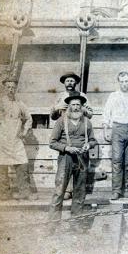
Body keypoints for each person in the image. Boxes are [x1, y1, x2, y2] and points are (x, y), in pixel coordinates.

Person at [48, 92, 97, 220]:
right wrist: (67, 148)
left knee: (80, 190)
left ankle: (76, 220)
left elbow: (93, 140)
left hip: (82, 158)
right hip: (66, 158)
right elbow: (52, 143)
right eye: (73, 104)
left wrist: (88, 145)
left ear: (82, 107)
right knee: (59, 190)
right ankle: (53, 223)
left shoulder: (87, 122)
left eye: (78, 105)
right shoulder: (61, 121)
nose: (76, 107)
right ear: (68, 106)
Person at [0, 77, 37, 200]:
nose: (10, 90)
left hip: (16, 140)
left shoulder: (20, 104)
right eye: (8, 87)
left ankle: (24, 192)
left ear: (15, 88)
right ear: (4, 88)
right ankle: (4, 193)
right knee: (1, 166)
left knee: (22, 164)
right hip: (2, 141)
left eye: (13, 87)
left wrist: (24, 132)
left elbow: (29, 118)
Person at [50, 72, 93, 200]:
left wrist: (79, 107)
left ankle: (78, 190)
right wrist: (57, 107)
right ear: (64, 83)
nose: (70, 83)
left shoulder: (82, 96)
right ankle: (67, 190)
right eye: (67, 81)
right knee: (65, 164)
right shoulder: (60, 97)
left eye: (72, 81)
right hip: (64, 134)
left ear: (76, 83)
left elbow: (90, 114)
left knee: (79, 164)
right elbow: (52, 117)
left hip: (79, 131)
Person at [103, 71, 128, 200]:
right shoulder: (113, 96)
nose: (124, 84)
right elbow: (107, 113)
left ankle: (125, 189)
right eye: (122, 81)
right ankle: (116, 190)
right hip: (118, 128)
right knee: (117, 160)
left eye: (126, 81)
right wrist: (105, 129)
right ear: (119, 82)